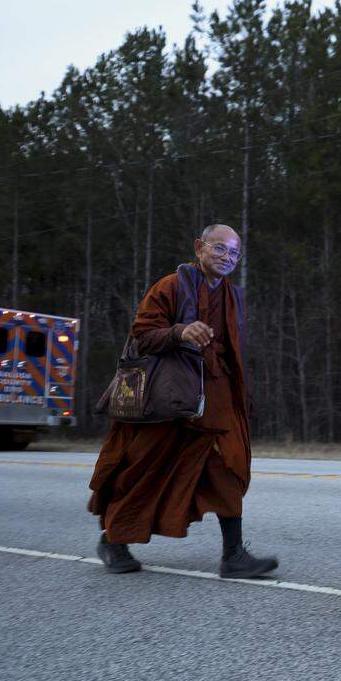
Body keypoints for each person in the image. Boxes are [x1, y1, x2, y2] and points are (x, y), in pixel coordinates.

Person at [88, 224, 277, 579]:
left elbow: (233, 352)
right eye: (219, 249)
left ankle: (234, 556)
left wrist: (243, 394)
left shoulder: (233, 296)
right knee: (145, 470)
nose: (227, 258)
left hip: (218, 396)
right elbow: (142, 335)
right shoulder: (171, 287)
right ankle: (113, 539)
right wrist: (179, 331)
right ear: (199, 247)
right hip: (171, 398)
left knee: (228, 468)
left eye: (234, 253)